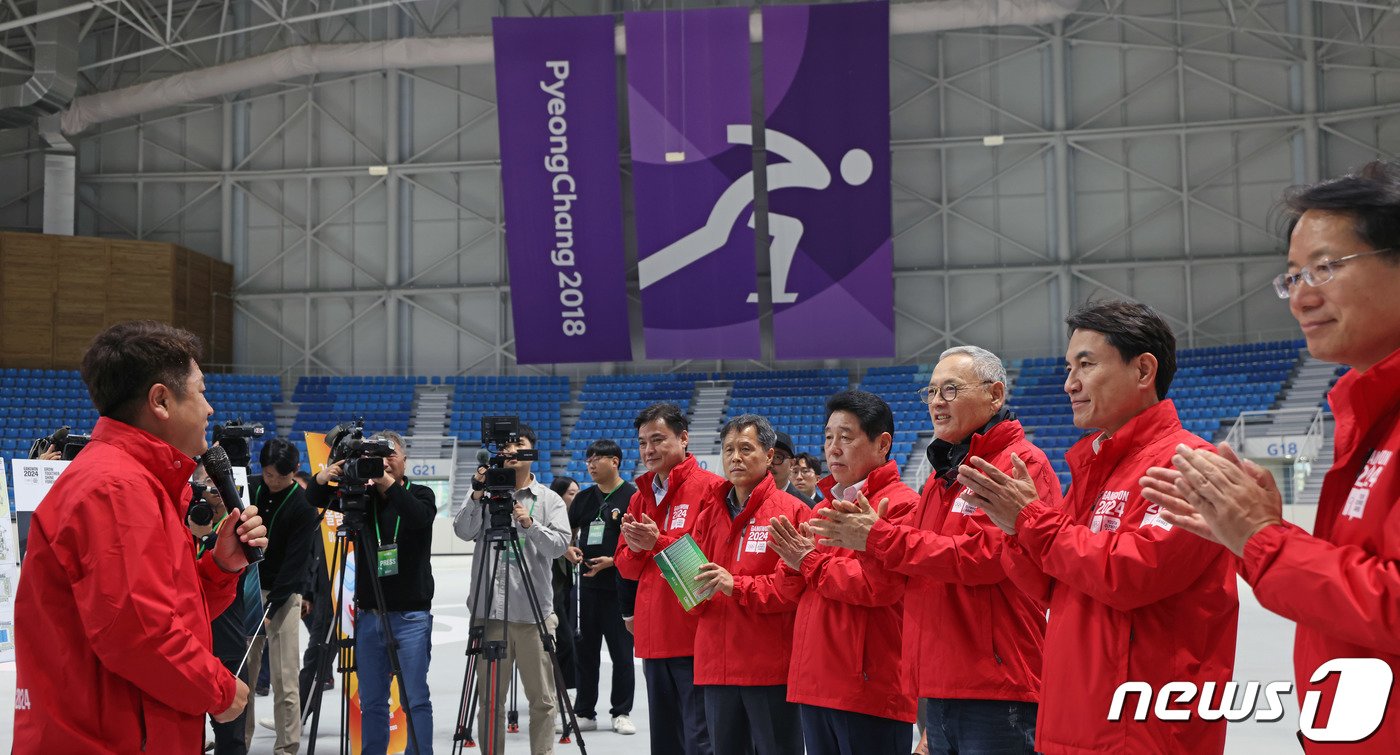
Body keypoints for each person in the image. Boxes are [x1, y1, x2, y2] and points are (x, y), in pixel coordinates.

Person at [1143, 161, 1400, 752]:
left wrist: (1263, 539)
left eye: (1326, 268)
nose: (1301, 297)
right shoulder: (1368, 418)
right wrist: (1258, 535)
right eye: (1292, 278)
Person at [961, 300, 1239, 754]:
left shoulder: (1190, 466)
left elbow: (1134, 574)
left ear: (1143, 370)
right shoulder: (1096, 466)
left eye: (1085, 365)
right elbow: (1050, 585)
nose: (1069, 384)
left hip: (1143, 731)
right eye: (1069, 367)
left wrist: (1031, 521)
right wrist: (1014, 529)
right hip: (1075, 722)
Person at [13, 320, 267, 754]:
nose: (209, 409)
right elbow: (139, 635)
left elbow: (165, 610)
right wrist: (221, 691)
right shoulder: (117, 489)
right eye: (201, 391)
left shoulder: (138, 484)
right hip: (108, 740)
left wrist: (221, 567)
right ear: (161, 401)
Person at [809, 347, 1060, 754]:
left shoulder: (1019, 464)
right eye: (931, 391)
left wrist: (877, 538)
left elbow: (985, 558)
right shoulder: (940, 479)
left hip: (998, 686)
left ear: (995, 395)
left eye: (951, 389)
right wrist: (868, 544)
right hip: (940, 685)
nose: (937, 402)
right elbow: (911, 571)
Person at [767, 390, 920, 755]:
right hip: (814, 680)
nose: (832, 448)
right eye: (828, 437)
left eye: (846, 437)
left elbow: (877, 587)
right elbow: (797, 585)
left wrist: (806, 561)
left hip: (867, 687)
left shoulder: (901, 505)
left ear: (882, 444)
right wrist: (791, 563)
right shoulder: (825, 507)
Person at [306, 429, 436, 755]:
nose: (387, 461)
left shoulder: (420, 493)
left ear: (405, 459)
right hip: (369, 617)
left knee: (415, 698)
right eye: (379, 456)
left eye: (392, 454)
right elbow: (314, 499)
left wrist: (384, 482)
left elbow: (418, 519)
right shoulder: (362, 500)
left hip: (411, 617)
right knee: (373, 701)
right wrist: (325, 475)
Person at [691, 415, 811, 755]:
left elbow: (790, 590)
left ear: (770, 456)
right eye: (728, 450)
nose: (735, 458)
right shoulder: (708, 515)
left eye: (746, 448)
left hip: (768, 668)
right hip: (716, 666)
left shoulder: (792, 513)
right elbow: (695, 586)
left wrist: (735, 585)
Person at [615, 402, 725, 755]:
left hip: (694, 636)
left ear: (684, 439)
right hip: (654, 639)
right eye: (643, 442)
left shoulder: (712, 489)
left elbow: (711, 562)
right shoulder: (640, 497)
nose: (649, 450)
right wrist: (635, 548)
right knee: (665, 740)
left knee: (701, 739)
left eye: (658, 439)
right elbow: (626, 568)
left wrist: (655, 542)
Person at [456, 423, 571, 755]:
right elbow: (463, 531)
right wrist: (477, 494)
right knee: (490, 701)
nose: (508, 450)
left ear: (531, 450)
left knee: (543, 701)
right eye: (503, 445)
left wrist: (530, 525)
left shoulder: (548, 500)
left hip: (534, 616)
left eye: (516, 443)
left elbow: (560, 546)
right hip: (489, 613)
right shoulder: (483, 493)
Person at [243, 438, 319, 753]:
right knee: (243, 675)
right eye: (269, 474)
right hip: (248, 589)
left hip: (284, 596)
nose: (273, 481)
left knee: (285, 680)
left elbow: (296, 563)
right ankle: (237, 740)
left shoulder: (302, 505)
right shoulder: (251, 488)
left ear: (295, 471)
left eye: (280, 476)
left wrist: (273, 607)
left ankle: (286, 746)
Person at [566, 439, 639, 735]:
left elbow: (639, 544)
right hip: (585, 590)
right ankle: (584, 711)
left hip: (620, 589)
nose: (591, 464)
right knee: (585, 651)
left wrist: (613, 561)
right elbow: (566, 534)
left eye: (598, 458)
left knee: (622, 654)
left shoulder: (632, 497)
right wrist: (568, 550)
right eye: (588, 460)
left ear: (615, 462)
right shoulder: (583, 499)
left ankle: (621, 711)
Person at [549, 476, 581, 697]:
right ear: (558, 497)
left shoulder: (577, 521)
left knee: (569, 641)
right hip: (551, 591)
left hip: (568, 589)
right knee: (564, 641)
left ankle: (564, 687)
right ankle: (561, 688)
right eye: (571, 493)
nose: (576, 497)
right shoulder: (551, 521)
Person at [771, 431, 815, 507]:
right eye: (766, 456)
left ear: (792, 464)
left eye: (777, 457)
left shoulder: (807, 506)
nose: (770, 463)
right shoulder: (747, 498)